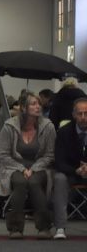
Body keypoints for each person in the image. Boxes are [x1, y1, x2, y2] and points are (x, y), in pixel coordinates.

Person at [0, 91, 55, 239]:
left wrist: (33, 169)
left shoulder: (48, 126)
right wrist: (22, 169)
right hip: (13, 166)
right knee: (20, 182)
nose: (38, 107)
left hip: (40, 166)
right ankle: (15, 228)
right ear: (23, 107)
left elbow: (50, 155)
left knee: (35, 183)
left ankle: (44, 227)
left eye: (39, 104)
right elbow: (3, 155)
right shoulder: (9, 126)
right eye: (33, 104)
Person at [51, 97, 87, 240]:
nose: (83, 117)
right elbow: (59, 162)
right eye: (80, 113)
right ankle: (60, 227)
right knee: (59, 178)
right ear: (73, 115)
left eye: (86, 113)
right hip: (71, 172)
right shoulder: (63, 132)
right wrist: (76, 170)